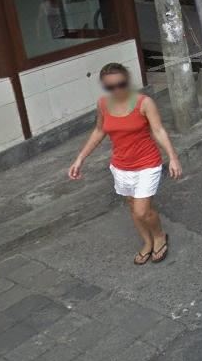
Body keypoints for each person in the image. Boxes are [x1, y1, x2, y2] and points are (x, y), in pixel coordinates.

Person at [67, 63, 182, 265]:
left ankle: (159, 236)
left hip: (147, 163)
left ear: (127, 81)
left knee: (142, 210)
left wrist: (173, 157)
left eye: (120, 84)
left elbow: (158, 130)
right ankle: (147, 242)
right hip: (121, 166)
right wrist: (80, 158)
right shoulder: (103, 104)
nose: (117, 90)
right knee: (132, 205)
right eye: (110, 87)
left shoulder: (144, 103)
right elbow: (99, 131)